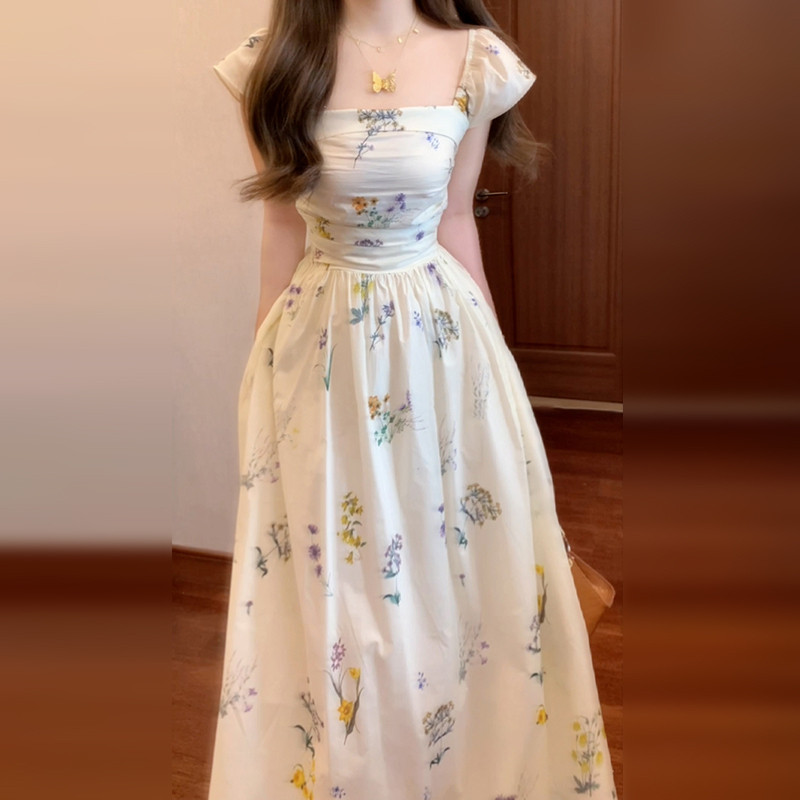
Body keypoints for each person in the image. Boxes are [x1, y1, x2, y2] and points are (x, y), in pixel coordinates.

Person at [208, 2, 618, 798]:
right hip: (320, 349)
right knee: (343, 584)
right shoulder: (270, 62)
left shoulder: (475, 59)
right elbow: (282, 228)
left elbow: (457, 220)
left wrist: (496, 381)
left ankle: (457, 768)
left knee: (445, 571)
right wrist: (261, 383)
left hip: (437, 345)